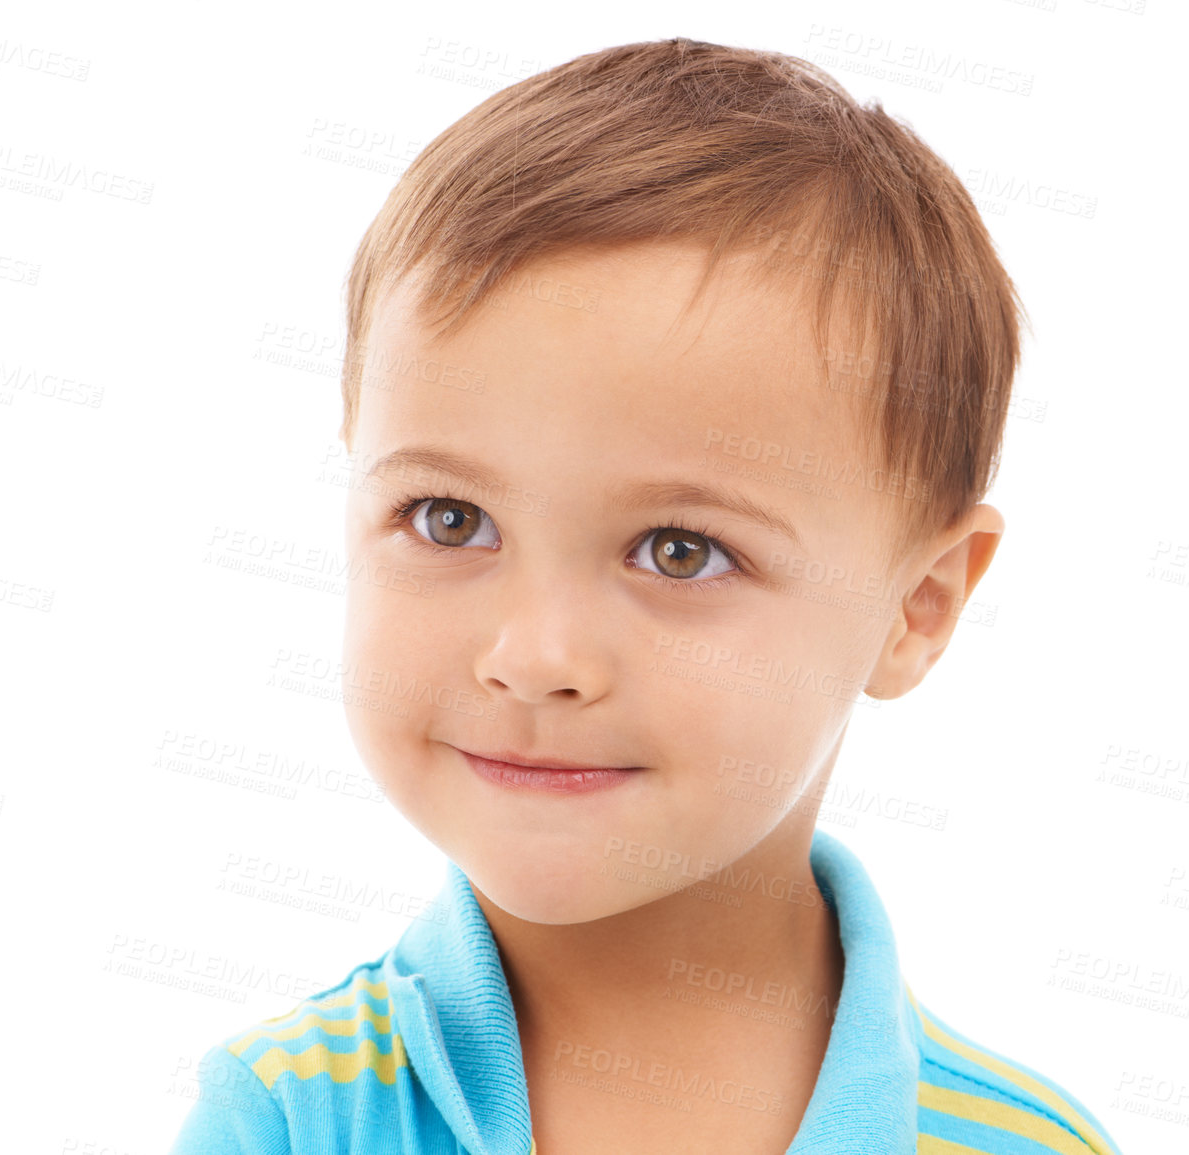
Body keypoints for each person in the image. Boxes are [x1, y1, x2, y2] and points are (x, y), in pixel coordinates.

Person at [170, 37, 1123, 1154]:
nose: (535, 656)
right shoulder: (292, 1118)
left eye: (679, 551)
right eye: (450, 519)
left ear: (917, 606)